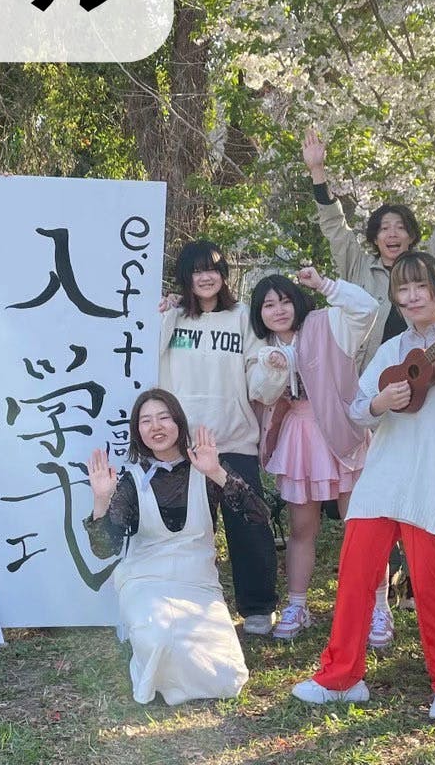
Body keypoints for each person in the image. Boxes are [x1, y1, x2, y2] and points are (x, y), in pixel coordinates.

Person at [291, 251, 435, 726]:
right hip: (384, 475)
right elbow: (358, 410)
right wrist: (381, 401)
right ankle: (342, 678)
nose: (412, 296)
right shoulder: (391, 349)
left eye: (420, 286)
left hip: (433, 476)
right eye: (403, 289)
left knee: (429, 582)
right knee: (355, 573)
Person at [84, 390, 265, 704]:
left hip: (197, 583)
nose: (156, 426)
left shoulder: (204, 470)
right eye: (146, 421)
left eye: (163, 417)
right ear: (137, 431)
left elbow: (258, 516)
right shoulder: (133, 480)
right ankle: (147, 654)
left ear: (179, 422)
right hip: (145, 580)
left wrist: (216, 472)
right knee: (159, 639)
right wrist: (101, 500)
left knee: (226, 674)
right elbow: (104, 549)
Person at [155, 240, 280, 635]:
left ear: (223, 274)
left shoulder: (242, 317)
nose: (205, 277)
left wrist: (275, 371)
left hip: (234, 438)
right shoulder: (173, 317)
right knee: (189, 531)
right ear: (185, 278)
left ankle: (258, 607)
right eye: (196, 271)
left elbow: (260, 379)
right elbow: (148, 362)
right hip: (184, 446)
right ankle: (189, 605)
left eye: (211, 269)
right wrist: (164, 311)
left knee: (249, 526)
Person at [248, 267, 378, 641]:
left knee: (362, 525)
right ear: (259, 313)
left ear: (298, 302)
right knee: (302, 528)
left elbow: (367, 308)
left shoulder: (327, 324)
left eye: (285, 300)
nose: (278, 310)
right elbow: (261, 393)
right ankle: (297, 605)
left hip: (341, 430)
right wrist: (274, 369)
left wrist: (324, 285)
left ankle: (376, 607)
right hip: (299, 436)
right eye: (268, 305)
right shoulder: (262, 347)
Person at [301, 125, 435, 365]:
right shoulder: (359, 267)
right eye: (384, 228)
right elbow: (335, 227)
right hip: (367, 376)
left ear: (411, 236)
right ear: (375, 238)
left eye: (400, 227)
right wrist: (317, 170)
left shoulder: (430, 267)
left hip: (428, 375)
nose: (392, 234)